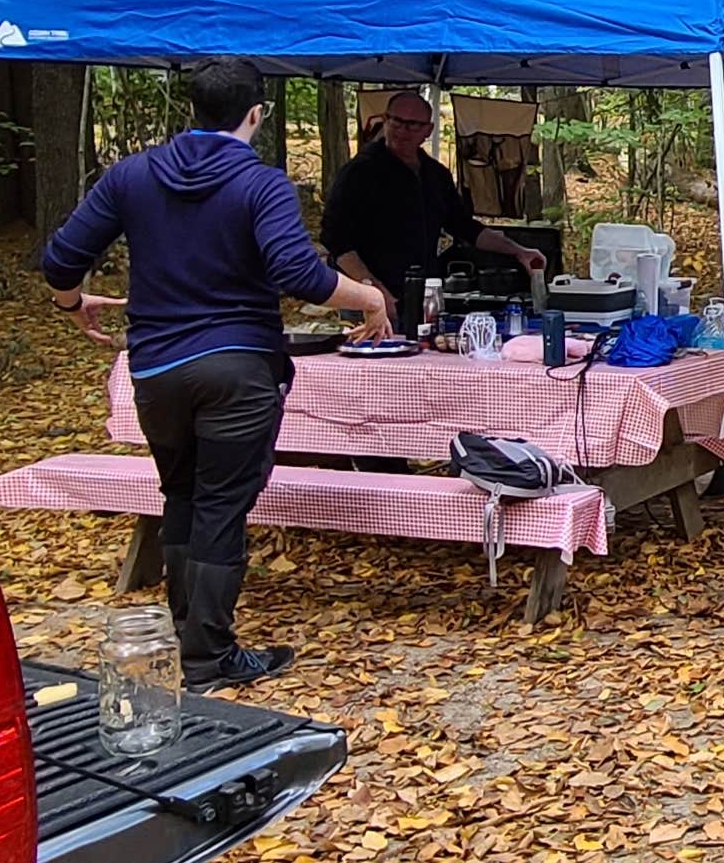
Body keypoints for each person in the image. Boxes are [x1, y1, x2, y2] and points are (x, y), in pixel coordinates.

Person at [41, 58, 392, 690]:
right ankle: (208, 658)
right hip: (237, 369)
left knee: (182, 495)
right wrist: (367, 298)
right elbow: (299, 275)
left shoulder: (131, 175)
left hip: (156, 370)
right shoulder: (261, 185)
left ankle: (191, 642)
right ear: (256, 114)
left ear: (193, 110)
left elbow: (62, 257)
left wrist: (73, 303)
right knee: (222, 507)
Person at [324, 88, 548, 325]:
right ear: (385, 120)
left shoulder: (435, 174)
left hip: (419, 294)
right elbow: (336, 241)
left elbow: (465, 227)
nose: (402, 130)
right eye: (396, 121)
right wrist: (372, 290)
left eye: (412, 125)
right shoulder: (359, 172)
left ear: (428, 130)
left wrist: (519, 251)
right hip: (367, 298)